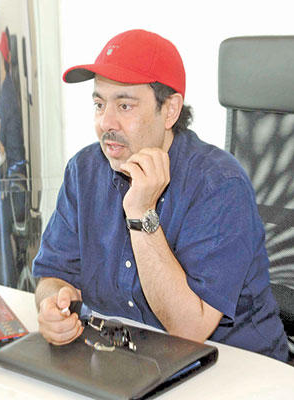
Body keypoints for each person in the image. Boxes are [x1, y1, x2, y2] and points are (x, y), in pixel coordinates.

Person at [32, 29, 289, 362]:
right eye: (99, 104)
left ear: (170, 111)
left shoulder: (219, 185)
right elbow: (52, 273)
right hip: (128, 359)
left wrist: (142, 215)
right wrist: (52, 304)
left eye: (124, 105)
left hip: (232, 365)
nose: (105, 122)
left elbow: (189, 329)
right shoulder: (84, 170)